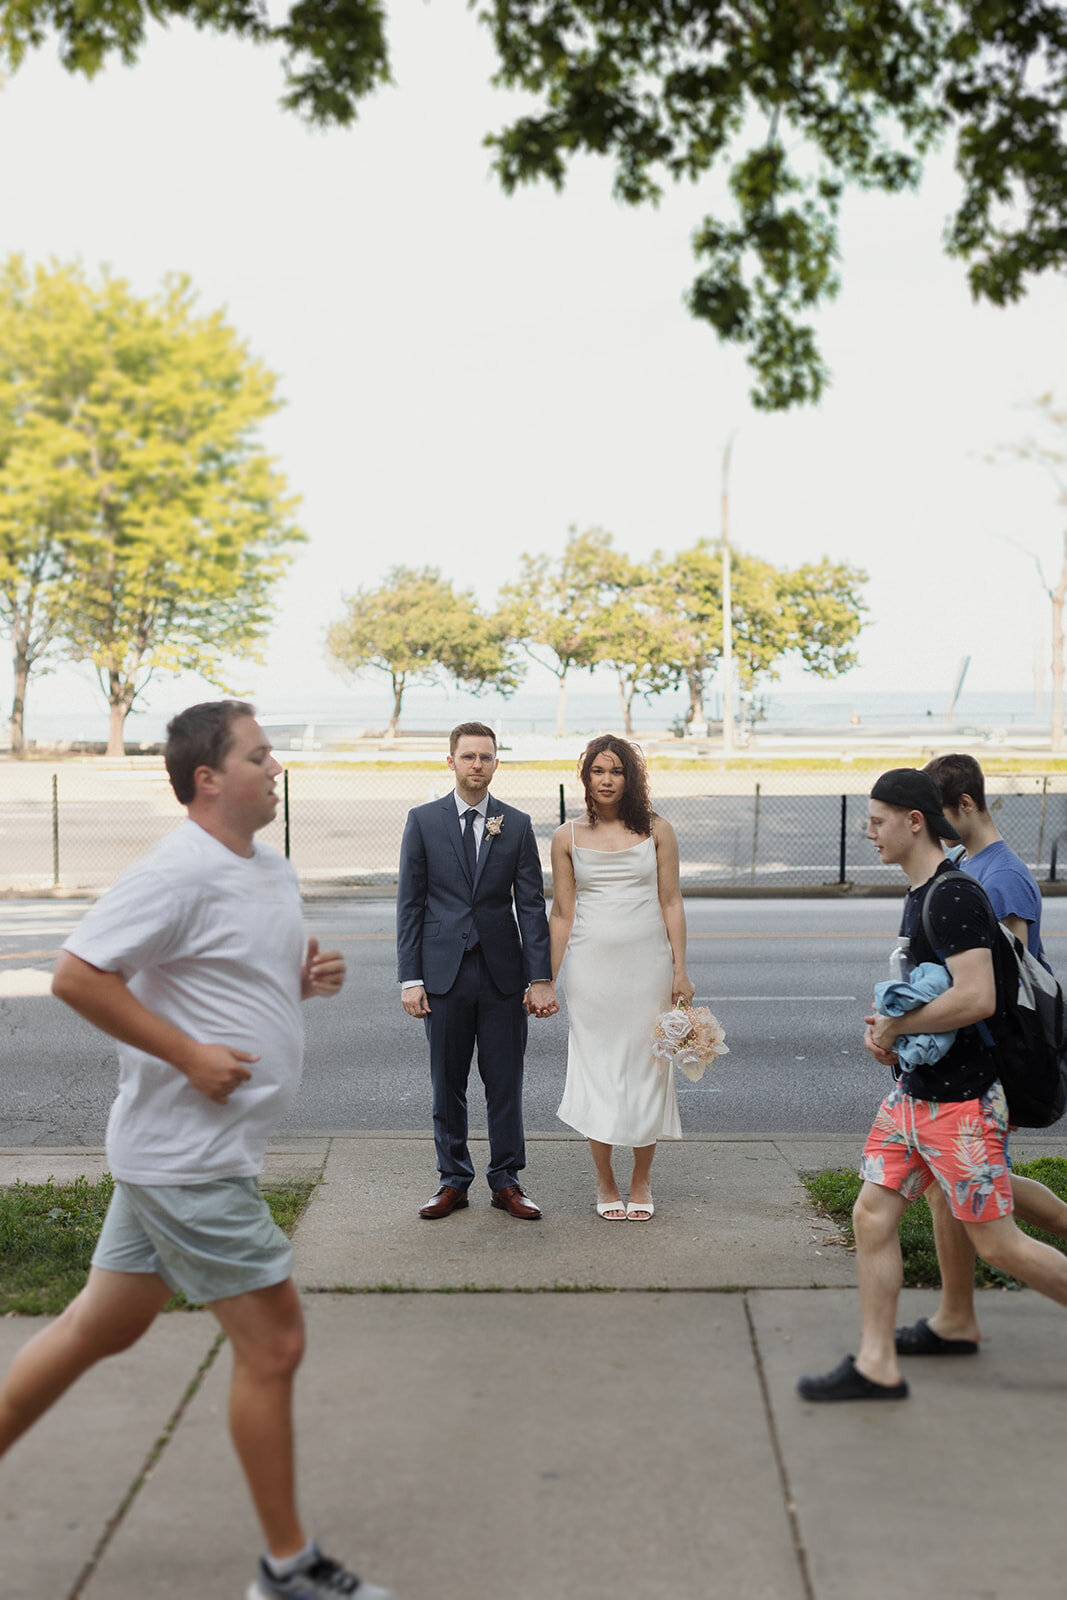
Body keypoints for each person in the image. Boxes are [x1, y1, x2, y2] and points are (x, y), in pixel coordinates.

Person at [0, 700, 392, 1600]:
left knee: (102, 1325)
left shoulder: (268, 869)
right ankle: (286, 1569)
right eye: (260, 756)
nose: (276, 768)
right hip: (188, 1158)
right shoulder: (175, 872)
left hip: (184, 1152)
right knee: (276, 1345)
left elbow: (230, 973)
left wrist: (299, 980)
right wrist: (184, 1054)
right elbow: (76, 975)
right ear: (208, 778)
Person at [798, 767, 1067, 1403]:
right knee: (872, 1214)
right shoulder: (921, 892)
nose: (869, 832)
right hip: (917, 1096)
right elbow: (933, 994)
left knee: (999, 1246)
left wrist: (896, 1025)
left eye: (877, 820)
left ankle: (899, 1351)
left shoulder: (952, 895)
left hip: (963, 1103)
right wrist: (893, 1034)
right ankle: (875, 1365)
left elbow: (978, 997)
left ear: (913, 821)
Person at [888, 752, 1067, 1358]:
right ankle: (955, 1316)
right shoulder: (965, 867)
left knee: (985, 1214)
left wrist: (905, 1022)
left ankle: (957, 1315)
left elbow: (1003, 990)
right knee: (961, 1188)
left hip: (996, 1063)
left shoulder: (1002, 877)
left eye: (935, 814)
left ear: (963, 807)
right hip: (963, 1063)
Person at [397, 721, 557, 1221]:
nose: (476, 765)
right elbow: (411, 904)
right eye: (468, 757)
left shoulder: (515, 823)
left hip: (502, 976)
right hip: (441, 975)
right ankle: (453, 1180)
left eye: (485, 757)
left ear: (495, 762)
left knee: (505, 1081)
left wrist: (540, 976)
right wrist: (410, 977)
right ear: (451, 761)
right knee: (447, 1082)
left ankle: (506, 1180)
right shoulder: (423, 821)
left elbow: (530, 906)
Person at [550, 736, 694, 1221]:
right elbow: (562, 913)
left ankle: (641, 1179)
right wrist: (544, 980)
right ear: (585, 777)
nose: (607, 780)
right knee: (599, 1072)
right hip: (591, 975)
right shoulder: (566, 837)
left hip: (648, 970)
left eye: (616, 771)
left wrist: (680, 970)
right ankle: (606, 1180)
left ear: (630, 778)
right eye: (598, 771)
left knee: (648, 1071)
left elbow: (671, 901)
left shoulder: (658, 831)